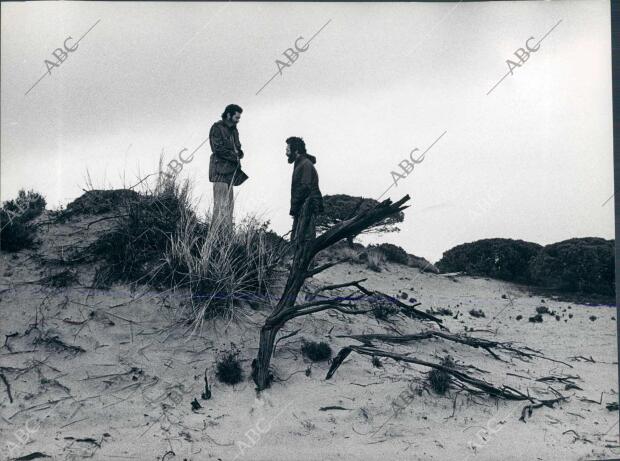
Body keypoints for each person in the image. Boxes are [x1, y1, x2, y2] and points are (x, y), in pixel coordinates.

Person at [209, 104, 248, 228]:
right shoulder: (216, 128)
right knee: (220, 208)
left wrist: (239, 153)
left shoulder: (234, 130)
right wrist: (235, 155)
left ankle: (226, 238)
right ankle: (217, 237)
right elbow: (218, 149)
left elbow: (239, 148)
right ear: (229, 115)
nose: (238, 120)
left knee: (229, 209)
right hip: (219, 172)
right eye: (236, 117)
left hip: (230, 173)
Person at [285, 136, 324, 243]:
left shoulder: (305, 164)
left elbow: (305, 187)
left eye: (288, 150)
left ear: (296, 151)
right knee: (296, 240)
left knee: (305, 241)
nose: (286, 153)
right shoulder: (300, 163)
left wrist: (296, 207)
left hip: (307, 208)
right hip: (302, 208)